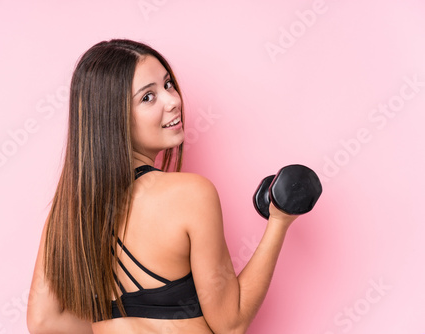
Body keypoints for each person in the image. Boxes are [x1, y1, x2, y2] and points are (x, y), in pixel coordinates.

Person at [27, 39, 299, 334]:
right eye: (148, 97)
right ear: (112, 117)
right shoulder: (191, 194)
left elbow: (44, 321)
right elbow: (230, 323)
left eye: (168, 85)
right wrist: (280, 219)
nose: (173, 101)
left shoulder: (69, 214)